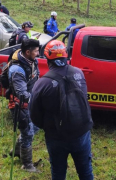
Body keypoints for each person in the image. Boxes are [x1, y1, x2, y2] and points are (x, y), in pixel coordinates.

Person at [30, 40, 94, 180]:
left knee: (58, 172)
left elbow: (34, 114)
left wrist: (47, 126)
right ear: (66, 56)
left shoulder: (42, 83)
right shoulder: (79, 74)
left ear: (47, 59)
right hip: (81, 132)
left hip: (56, 136)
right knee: (85, 171)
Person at [8, 39, 41, 172]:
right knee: (28, 133)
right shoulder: (17, 70)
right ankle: (27, 165)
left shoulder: (32, 61)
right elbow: (22, 94)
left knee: (37, 126)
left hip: (32, 102)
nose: (38, 54)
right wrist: (40, 99)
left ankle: (16, 150)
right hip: (19, 105)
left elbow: (36, 79)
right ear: (28, 52)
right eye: (36, 51)